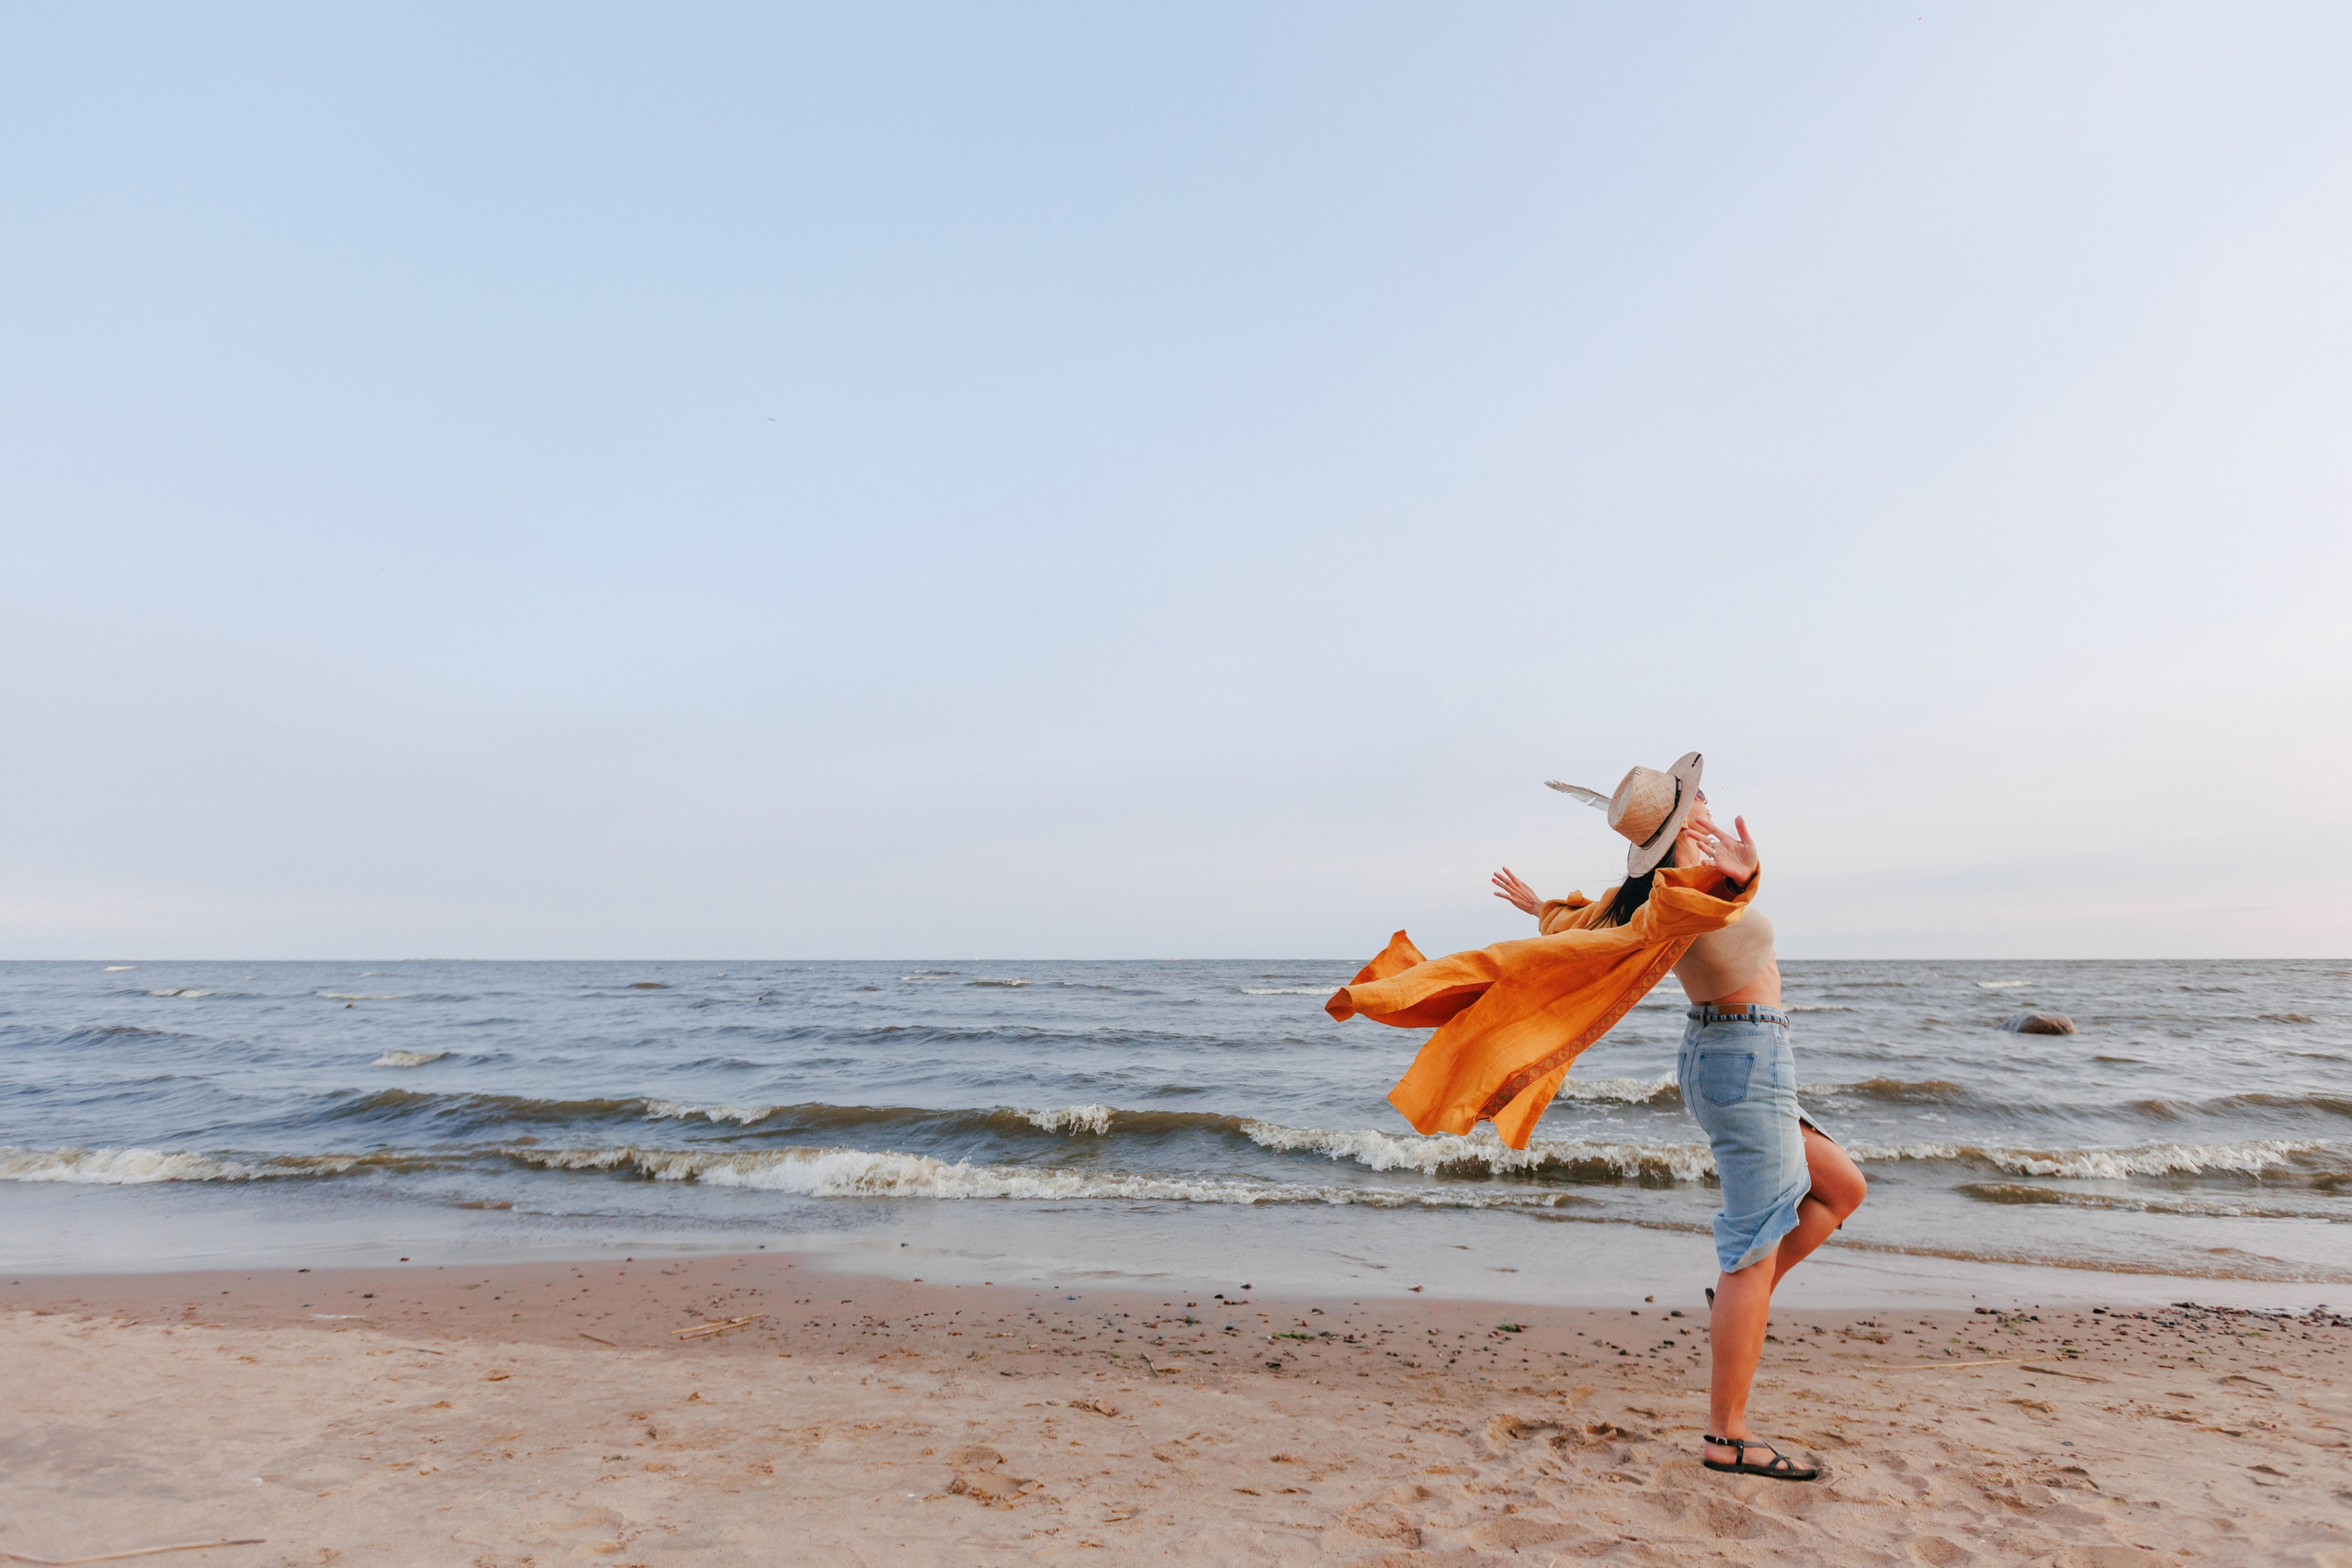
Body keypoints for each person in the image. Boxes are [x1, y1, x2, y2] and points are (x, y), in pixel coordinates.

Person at [1326, 751, 1865, 1483]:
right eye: (1699, 799)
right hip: (1744, 1060)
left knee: (1840, 1188)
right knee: (1753, 1246)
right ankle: (1728, 1434)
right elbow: (1690, 907)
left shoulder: (1652, 889)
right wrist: (1742, 874)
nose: (1710, 802)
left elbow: (1587, 925)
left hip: (1742, 1060)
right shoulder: (1685, 889)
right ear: (1684, 822)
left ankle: (1741, 1300)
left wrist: (1537, 905)